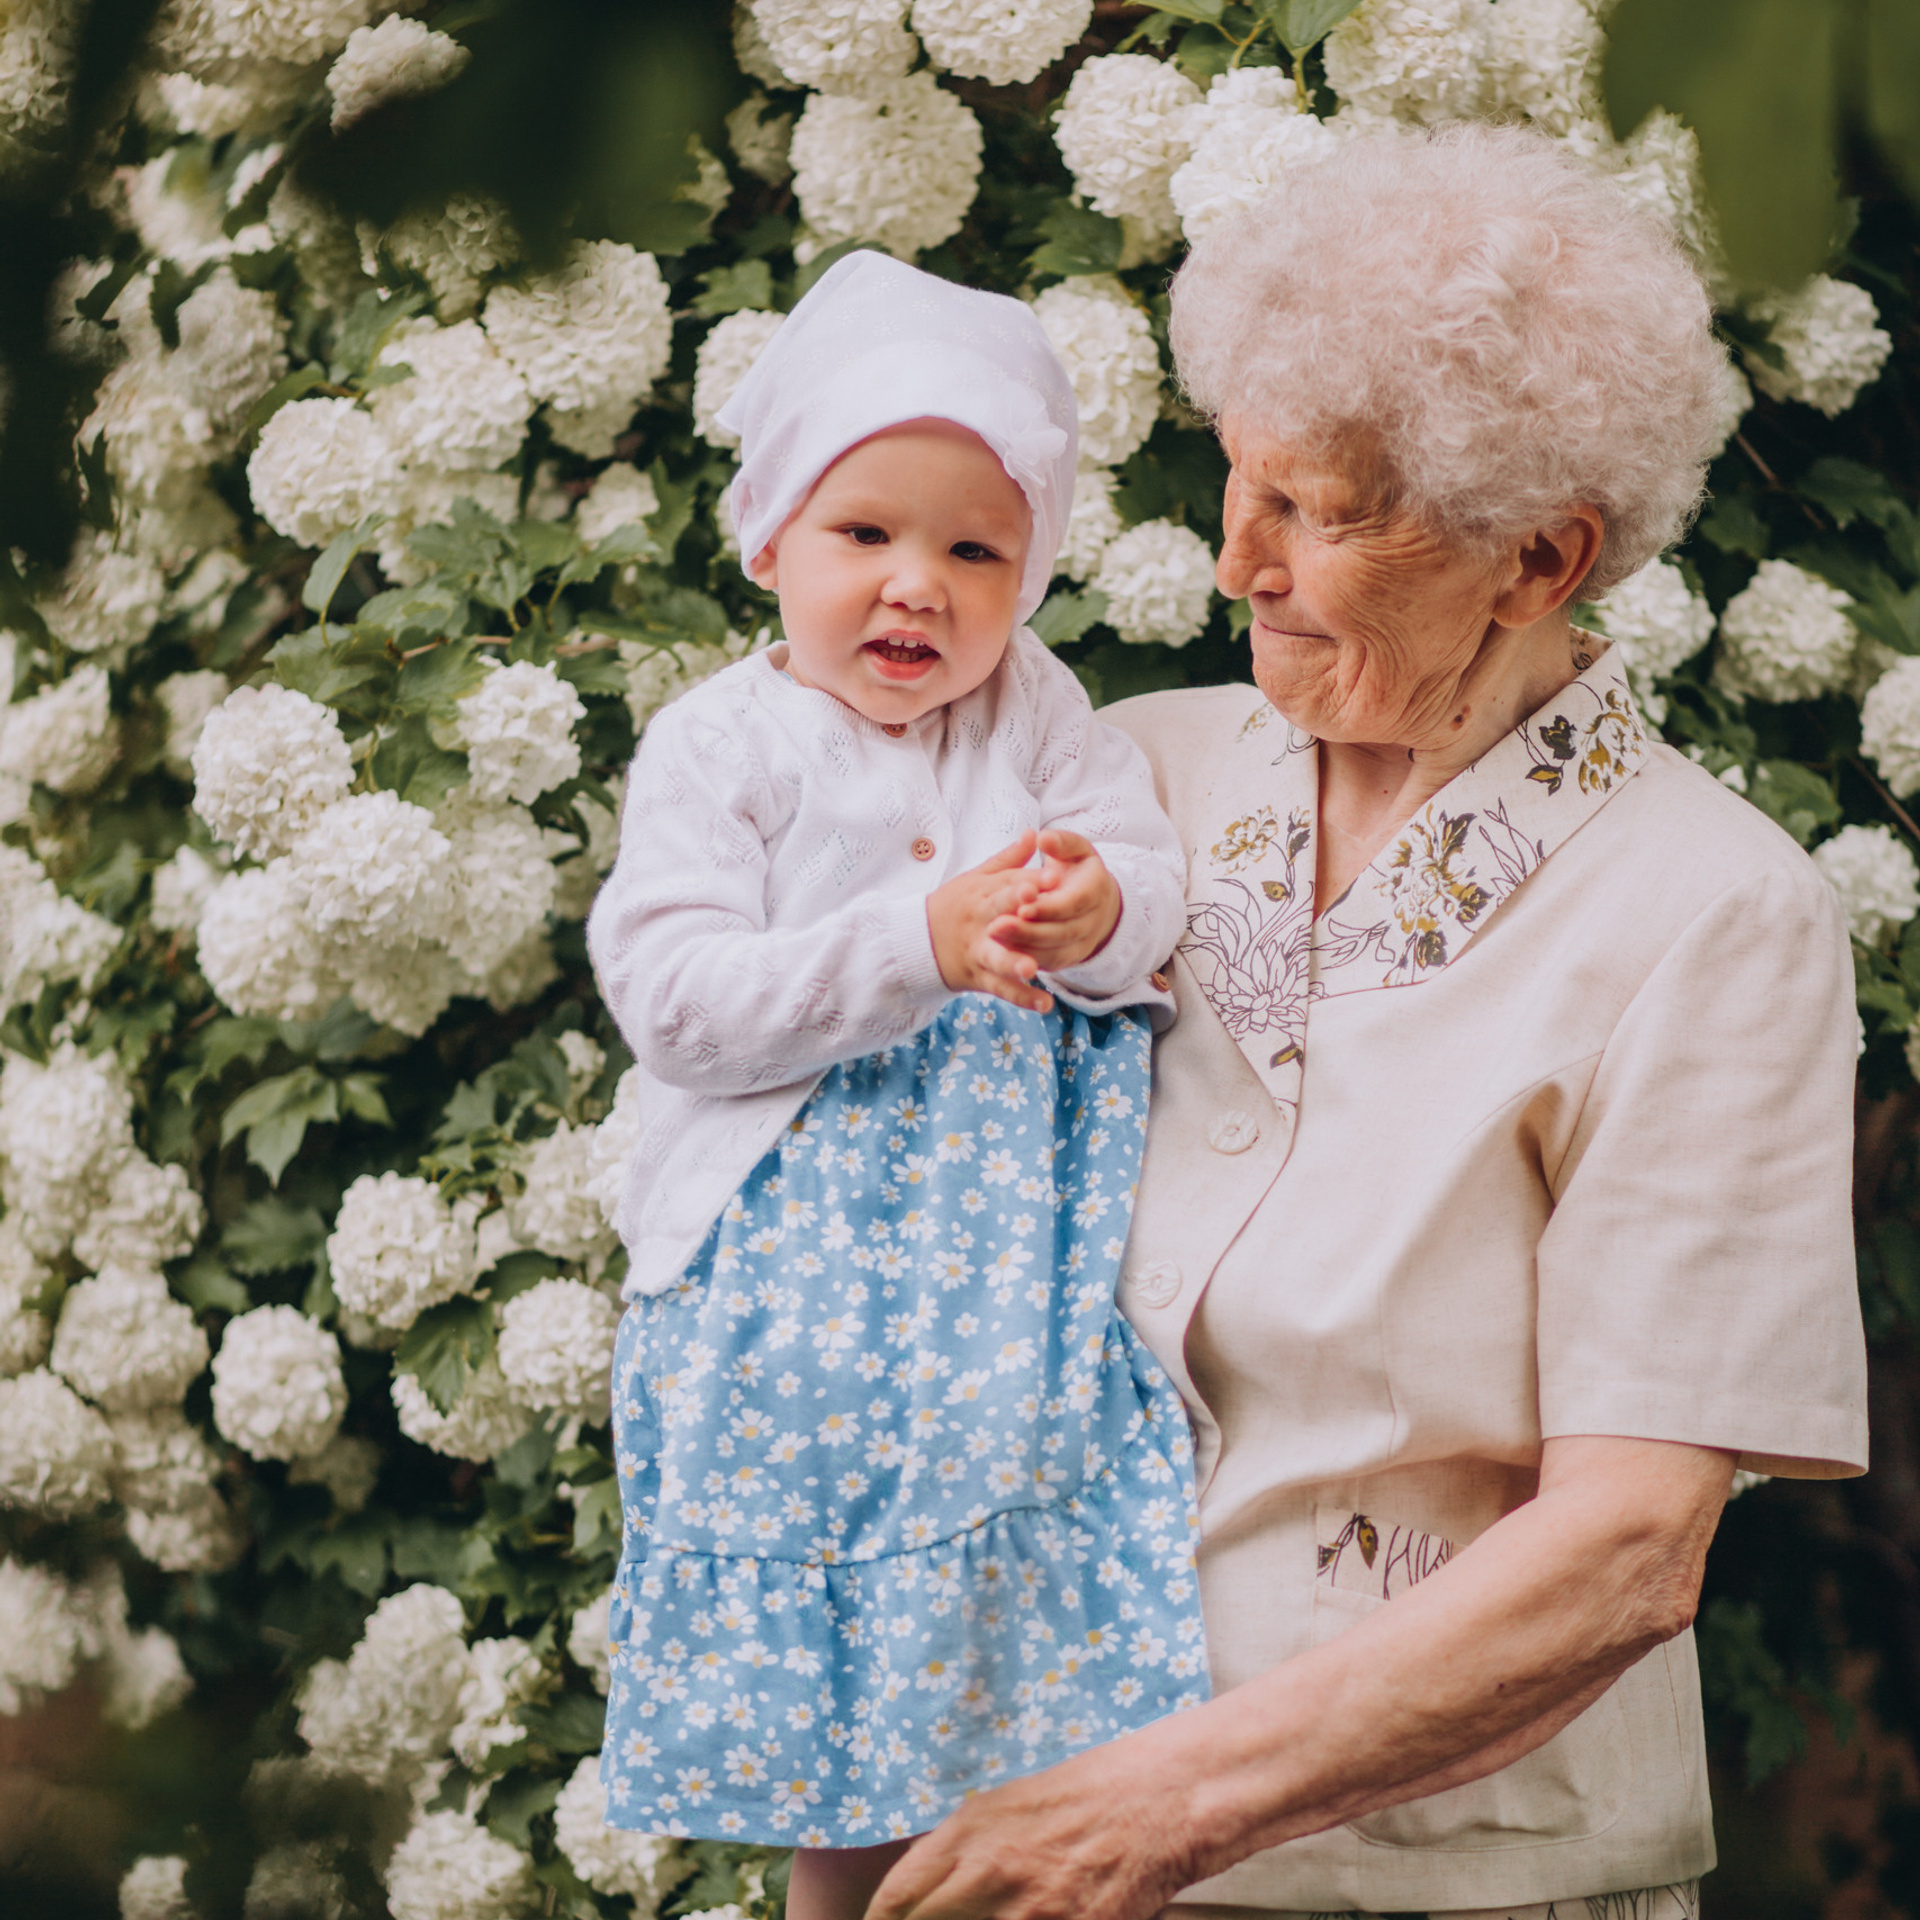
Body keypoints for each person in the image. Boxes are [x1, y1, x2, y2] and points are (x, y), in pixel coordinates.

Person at [867, 123, 1870, 1920]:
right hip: (1021, 1812)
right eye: (1236, 482)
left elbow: (1630, 1547)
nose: (1236, 557)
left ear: (1541, 557)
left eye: (1319, 513)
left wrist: (1148, 1812)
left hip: (1437, 1879)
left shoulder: (1717, 914)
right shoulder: (1127, 779)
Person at [585, 251, 1208, 1920]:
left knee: (1019, 1711)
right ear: (770, 537)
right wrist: (912, 944)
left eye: (974, 548)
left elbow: (1147, 878)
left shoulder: (1044, 715)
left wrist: (1098, 910)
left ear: (1032, 572)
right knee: (849, 1739)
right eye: (866, 534)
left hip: (1004, 1306)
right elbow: (672, 999)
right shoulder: (726, 748)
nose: (916, 587)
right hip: (790, 1311)